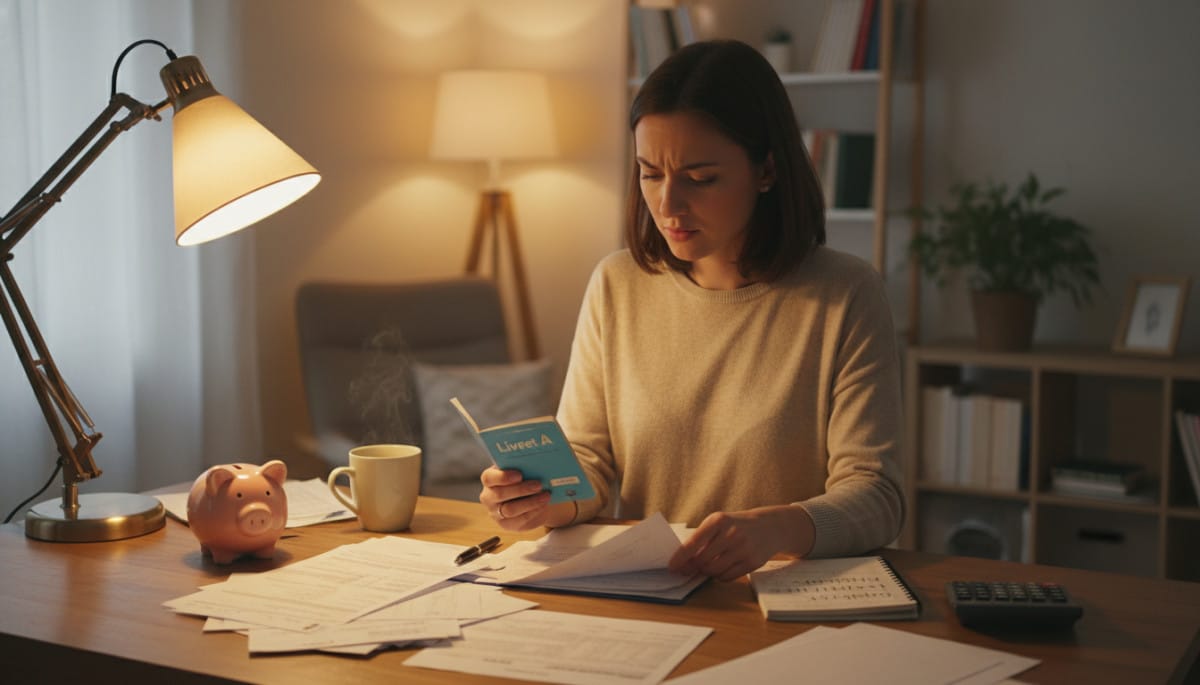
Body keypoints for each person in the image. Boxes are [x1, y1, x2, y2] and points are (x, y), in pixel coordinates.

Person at [479, 39, 904, 581]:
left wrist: (776, 528)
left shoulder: (846, 294)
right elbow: (588, 461)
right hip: (646, 589)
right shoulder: (616, 284)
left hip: (771, 596)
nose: (667, 205)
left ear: (767, 170)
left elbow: (877, 495)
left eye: (700, 179)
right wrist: (541, 500)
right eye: (649, 173)